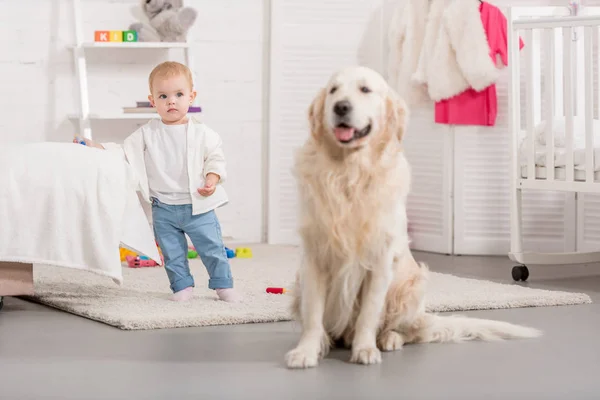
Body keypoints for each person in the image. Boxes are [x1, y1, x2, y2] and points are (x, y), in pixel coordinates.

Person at [76, 61, 241, 303]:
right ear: (153, 101)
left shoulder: (204, 134)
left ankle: (223, 285)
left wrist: (211, 179)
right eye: (163, 96)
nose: (171, 101)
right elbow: (124, 151)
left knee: (212, 249)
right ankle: (182, 286)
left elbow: (215, 158)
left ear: (191, 97)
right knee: (172, 253)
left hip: (198, 206)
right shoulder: (147, 133)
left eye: (179, 94)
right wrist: (96, 147)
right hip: (163, 207)